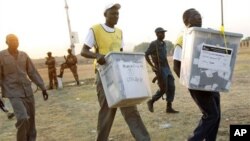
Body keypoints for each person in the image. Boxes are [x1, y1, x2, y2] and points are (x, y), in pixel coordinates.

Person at [81, 3, 151, 141]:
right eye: (112, 13)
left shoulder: (119, 32)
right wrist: (97, 56)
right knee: (107, 112)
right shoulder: (95, 29)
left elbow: (120, 53)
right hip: (104, 75)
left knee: (130, 108)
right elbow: (83, 51)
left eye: (117, 14)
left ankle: (144, 139)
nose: (116, 16)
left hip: (120, 75)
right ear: (105, 14)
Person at [173, 8, 221, 141]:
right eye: (195, 15)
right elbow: (176, 67)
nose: (199, 18)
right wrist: (190, 83)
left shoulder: (205, 35)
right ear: (186, 20)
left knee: (216, 115)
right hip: (197, 83)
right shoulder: (183, 39)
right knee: (211, 115)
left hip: (212, 81)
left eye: (200, 15)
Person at [0, 34, 49, 141]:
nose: (15, 42)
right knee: (22, 118)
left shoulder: (24, 55)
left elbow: (32, 72)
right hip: (13, 92)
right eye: (12, 40)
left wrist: (43, 88)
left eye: (16, 40)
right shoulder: (1, 56)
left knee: (31, 121)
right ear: (6, 42)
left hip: (27, 91)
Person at [145, 27, 179, 114]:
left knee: (171, 86)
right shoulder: (154, 44)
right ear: (156, 34)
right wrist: (152, 66)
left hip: (166, 67)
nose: (163, 34)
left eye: (164, 33)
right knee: (163, 88)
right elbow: (146, 54)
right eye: (161, 33)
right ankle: (151, 101)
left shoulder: (164, 43)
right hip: (159, 68)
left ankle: (169, 107)